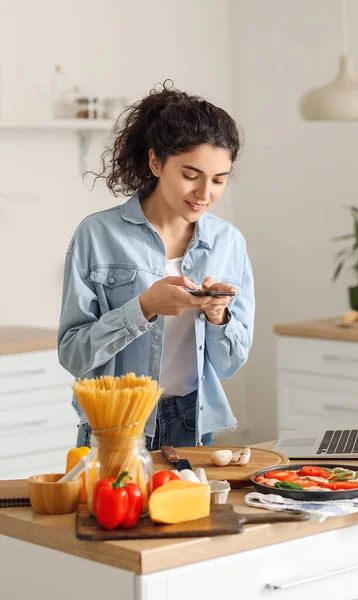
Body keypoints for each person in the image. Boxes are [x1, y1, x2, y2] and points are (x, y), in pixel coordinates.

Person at [58, 80, 255, 451]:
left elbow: (230, 364)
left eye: (219, 180)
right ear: (155, 162)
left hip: (193, 424)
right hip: (115, 424)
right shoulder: (97, 235)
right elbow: (73, 354)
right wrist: (144, 308)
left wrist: (218, 317)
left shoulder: (229, 242)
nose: (204, 194)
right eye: (190, 175)